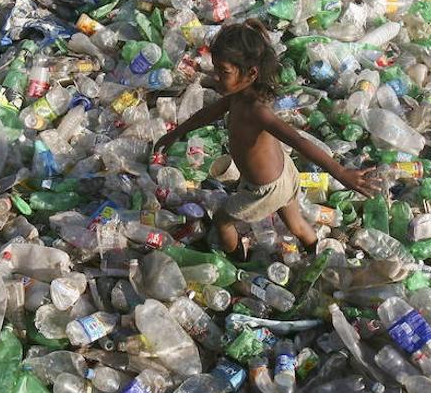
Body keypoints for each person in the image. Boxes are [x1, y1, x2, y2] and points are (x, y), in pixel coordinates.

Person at [154, 19, 381, 258]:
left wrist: (341, 173)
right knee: (296, 224)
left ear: (251, 73)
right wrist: (175, 133)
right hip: (282, 174)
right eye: (216, 69)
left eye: (224, 72)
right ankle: (318, 253)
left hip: (265, 189)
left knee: (222, 220)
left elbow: (299, 142)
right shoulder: (238, 96)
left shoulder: (256, 110)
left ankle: (237, 262)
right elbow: (208, 113)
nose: (217, 78)